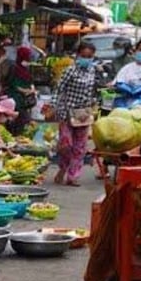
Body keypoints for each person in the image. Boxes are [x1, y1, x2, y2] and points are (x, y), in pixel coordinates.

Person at [54, 41, 100, 187]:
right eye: (83, 55)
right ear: (78, 55)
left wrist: (93, 107)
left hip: (83, 113)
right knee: (66, 145)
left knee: (80, 147)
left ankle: (73, 176)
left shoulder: (92, 71)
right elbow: (59, 89)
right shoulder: (70, 70)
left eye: (89, 56)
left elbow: (91, 91)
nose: (86, 59)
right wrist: (53, 106)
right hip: (67, 112)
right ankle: (63, 168)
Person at [0, 45, 37, 121]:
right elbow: (13, 84)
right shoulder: (14, 68)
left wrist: (32, 89)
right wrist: (25, 91)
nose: (28, 59)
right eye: (27, 57)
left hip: (25, 98)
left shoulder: (26, 69)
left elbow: (30, 81)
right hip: (15, 98)